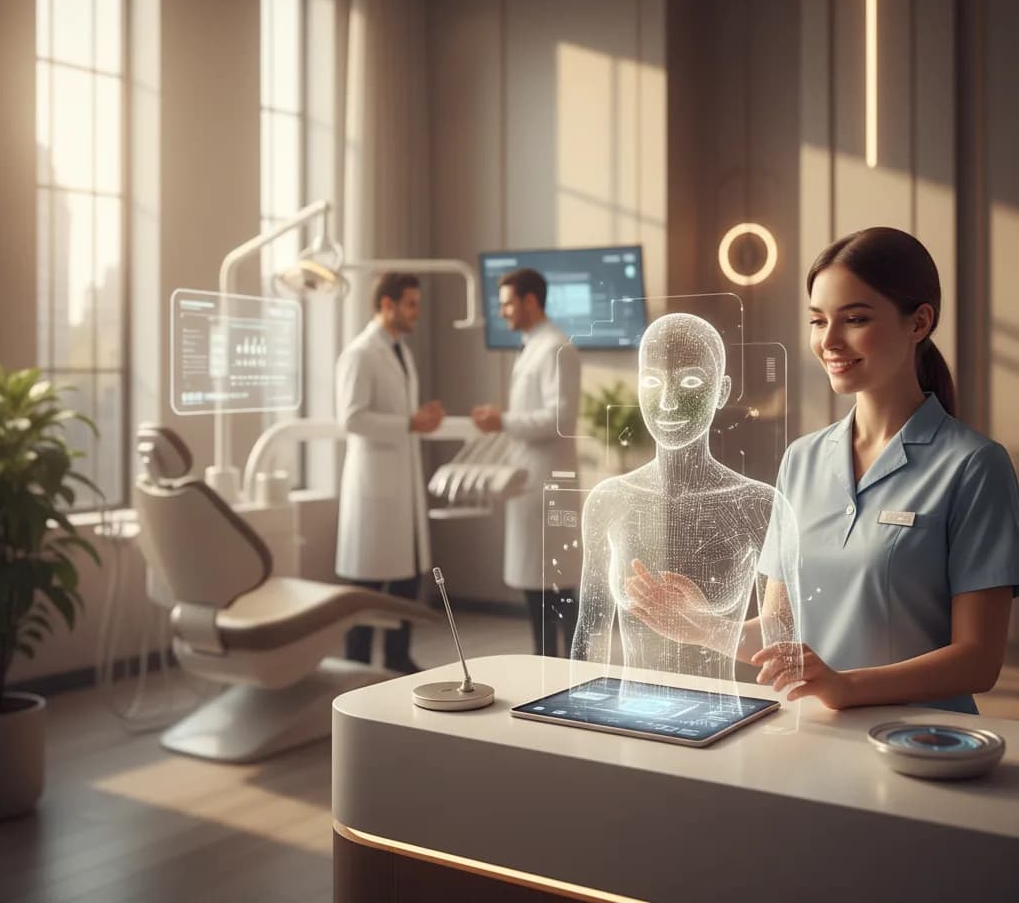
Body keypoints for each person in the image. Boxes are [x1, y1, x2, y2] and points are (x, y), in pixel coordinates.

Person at [629, 228, 1019, 713]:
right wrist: (700, 624)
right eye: (817, 321)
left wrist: (846, 686)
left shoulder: (975, 467)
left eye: (854, 319)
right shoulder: (802, 459)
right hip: (811, 734)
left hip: (920, 743)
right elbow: (780, 632)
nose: (829, 341)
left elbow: (978, 662)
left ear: (919, 323)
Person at [571, 313, 800, 686]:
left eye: (690, 381)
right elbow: (589, 634)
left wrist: (706, 625)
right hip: (632, 721)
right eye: (652, 381)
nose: (668, 402)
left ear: (722, 391)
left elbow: (784, 641)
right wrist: (579, 719)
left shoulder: (758, 505)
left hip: (717, 722)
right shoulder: (608, 500)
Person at [334, 272, 444, 673]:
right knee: (365, 589)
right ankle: (355, 667)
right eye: (411, 304)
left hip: (400, 483)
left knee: (405, 581)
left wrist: (419, 419)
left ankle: (398, 660)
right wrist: (409, 424)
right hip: (373, 488)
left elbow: (400, 416)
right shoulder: (361, 353)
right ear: (387, 305)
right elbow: (351, 418)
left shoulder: (399, 350)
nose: (417, 312)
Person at [471, 268, 582, 657]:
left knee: (556, 585)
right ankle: (544, 664)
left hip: (546, 481)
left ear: (531, 301)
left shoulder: (556, 347)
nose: (502, 312)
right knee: (536, 586)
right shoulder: (533, 345)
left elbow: (560, 418)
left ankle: (571, 667)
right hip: (530, 481)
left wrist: (502, 420)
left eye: (507, 303)